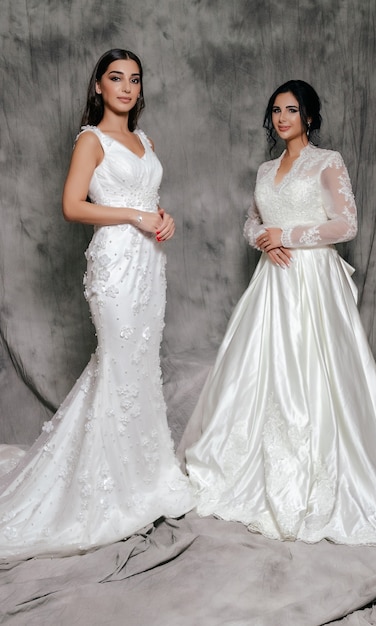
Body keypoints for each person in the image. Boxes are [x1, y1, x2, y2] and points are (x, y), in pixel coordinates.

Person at [180, 80, 376, 545]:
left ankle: (324, 473)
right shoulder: (266, 169)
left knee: (315, 371)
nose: (282, 117)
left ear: (309, 116)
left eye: (291, 109)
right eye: (275, 110)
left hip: (312, 280)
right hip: (274, 282)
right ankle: (247, 465)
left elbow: (347, 224)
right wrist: (262, 239)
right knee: (259, 371)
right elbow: (253, 221)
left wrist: (285, 234)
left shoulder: (327, 162)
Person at [0, 49, 194, 560]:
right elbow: (72, 205)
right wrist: (134, 217)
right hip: (114, 268)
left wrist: (161, 216)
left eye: (134, 79)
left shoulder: (143, 140)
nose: (127, 88)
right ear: (98, 87)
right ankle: (111, 486)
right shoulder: (92, 140)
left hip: (150, 267)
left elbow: (146, 200)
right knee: (119, 365)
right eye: (116, 78)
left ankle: (147, 474)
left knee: (140, 368)